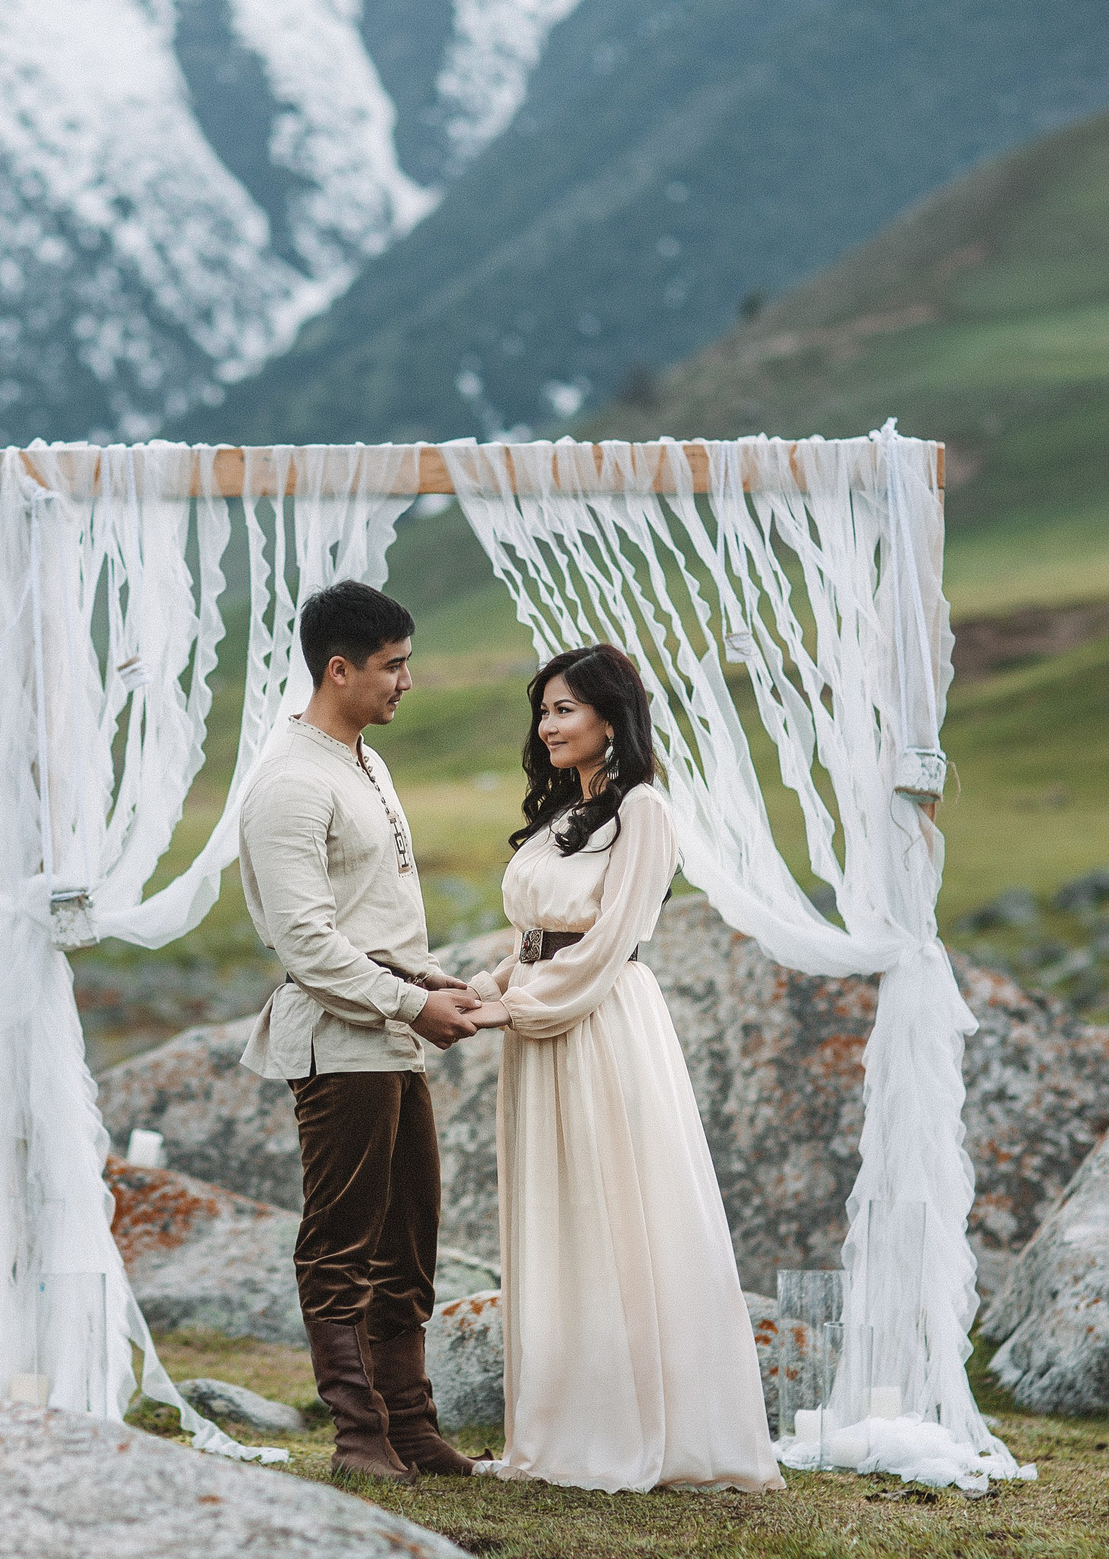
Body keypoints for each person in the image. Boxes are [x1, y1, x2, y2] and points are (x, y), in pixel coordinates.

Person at [463, 642, 783, 1493]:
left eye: (565, 708)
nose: (548, 724)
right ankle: (560, 1425)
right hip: (539, 1023)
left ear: (612, 717)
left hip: (597, 1025)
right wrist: (480, 988)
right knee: (555, 1217)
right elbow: (534, 936)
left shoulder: (644, 812)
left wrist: (518, 1006)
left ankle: (632, 1428)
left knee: (612, 1210)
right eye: (544, 709)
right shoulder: (562, 812)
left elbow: (608, 943)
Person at [237, 581, 486, 1483]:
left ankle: (411, 1427)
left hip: (391, 1031)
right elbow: (305, 941)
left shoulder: (363, 762)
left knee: (409, 1235)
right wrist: (409, 1001)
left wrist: (424, 979)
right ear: (337, 670)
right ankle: (357, 1437)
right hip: (340, 1045)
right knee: (342, 1241)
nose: (407, 681)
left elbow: (363, 915)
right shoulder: (289, 785)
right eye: (392, 665)